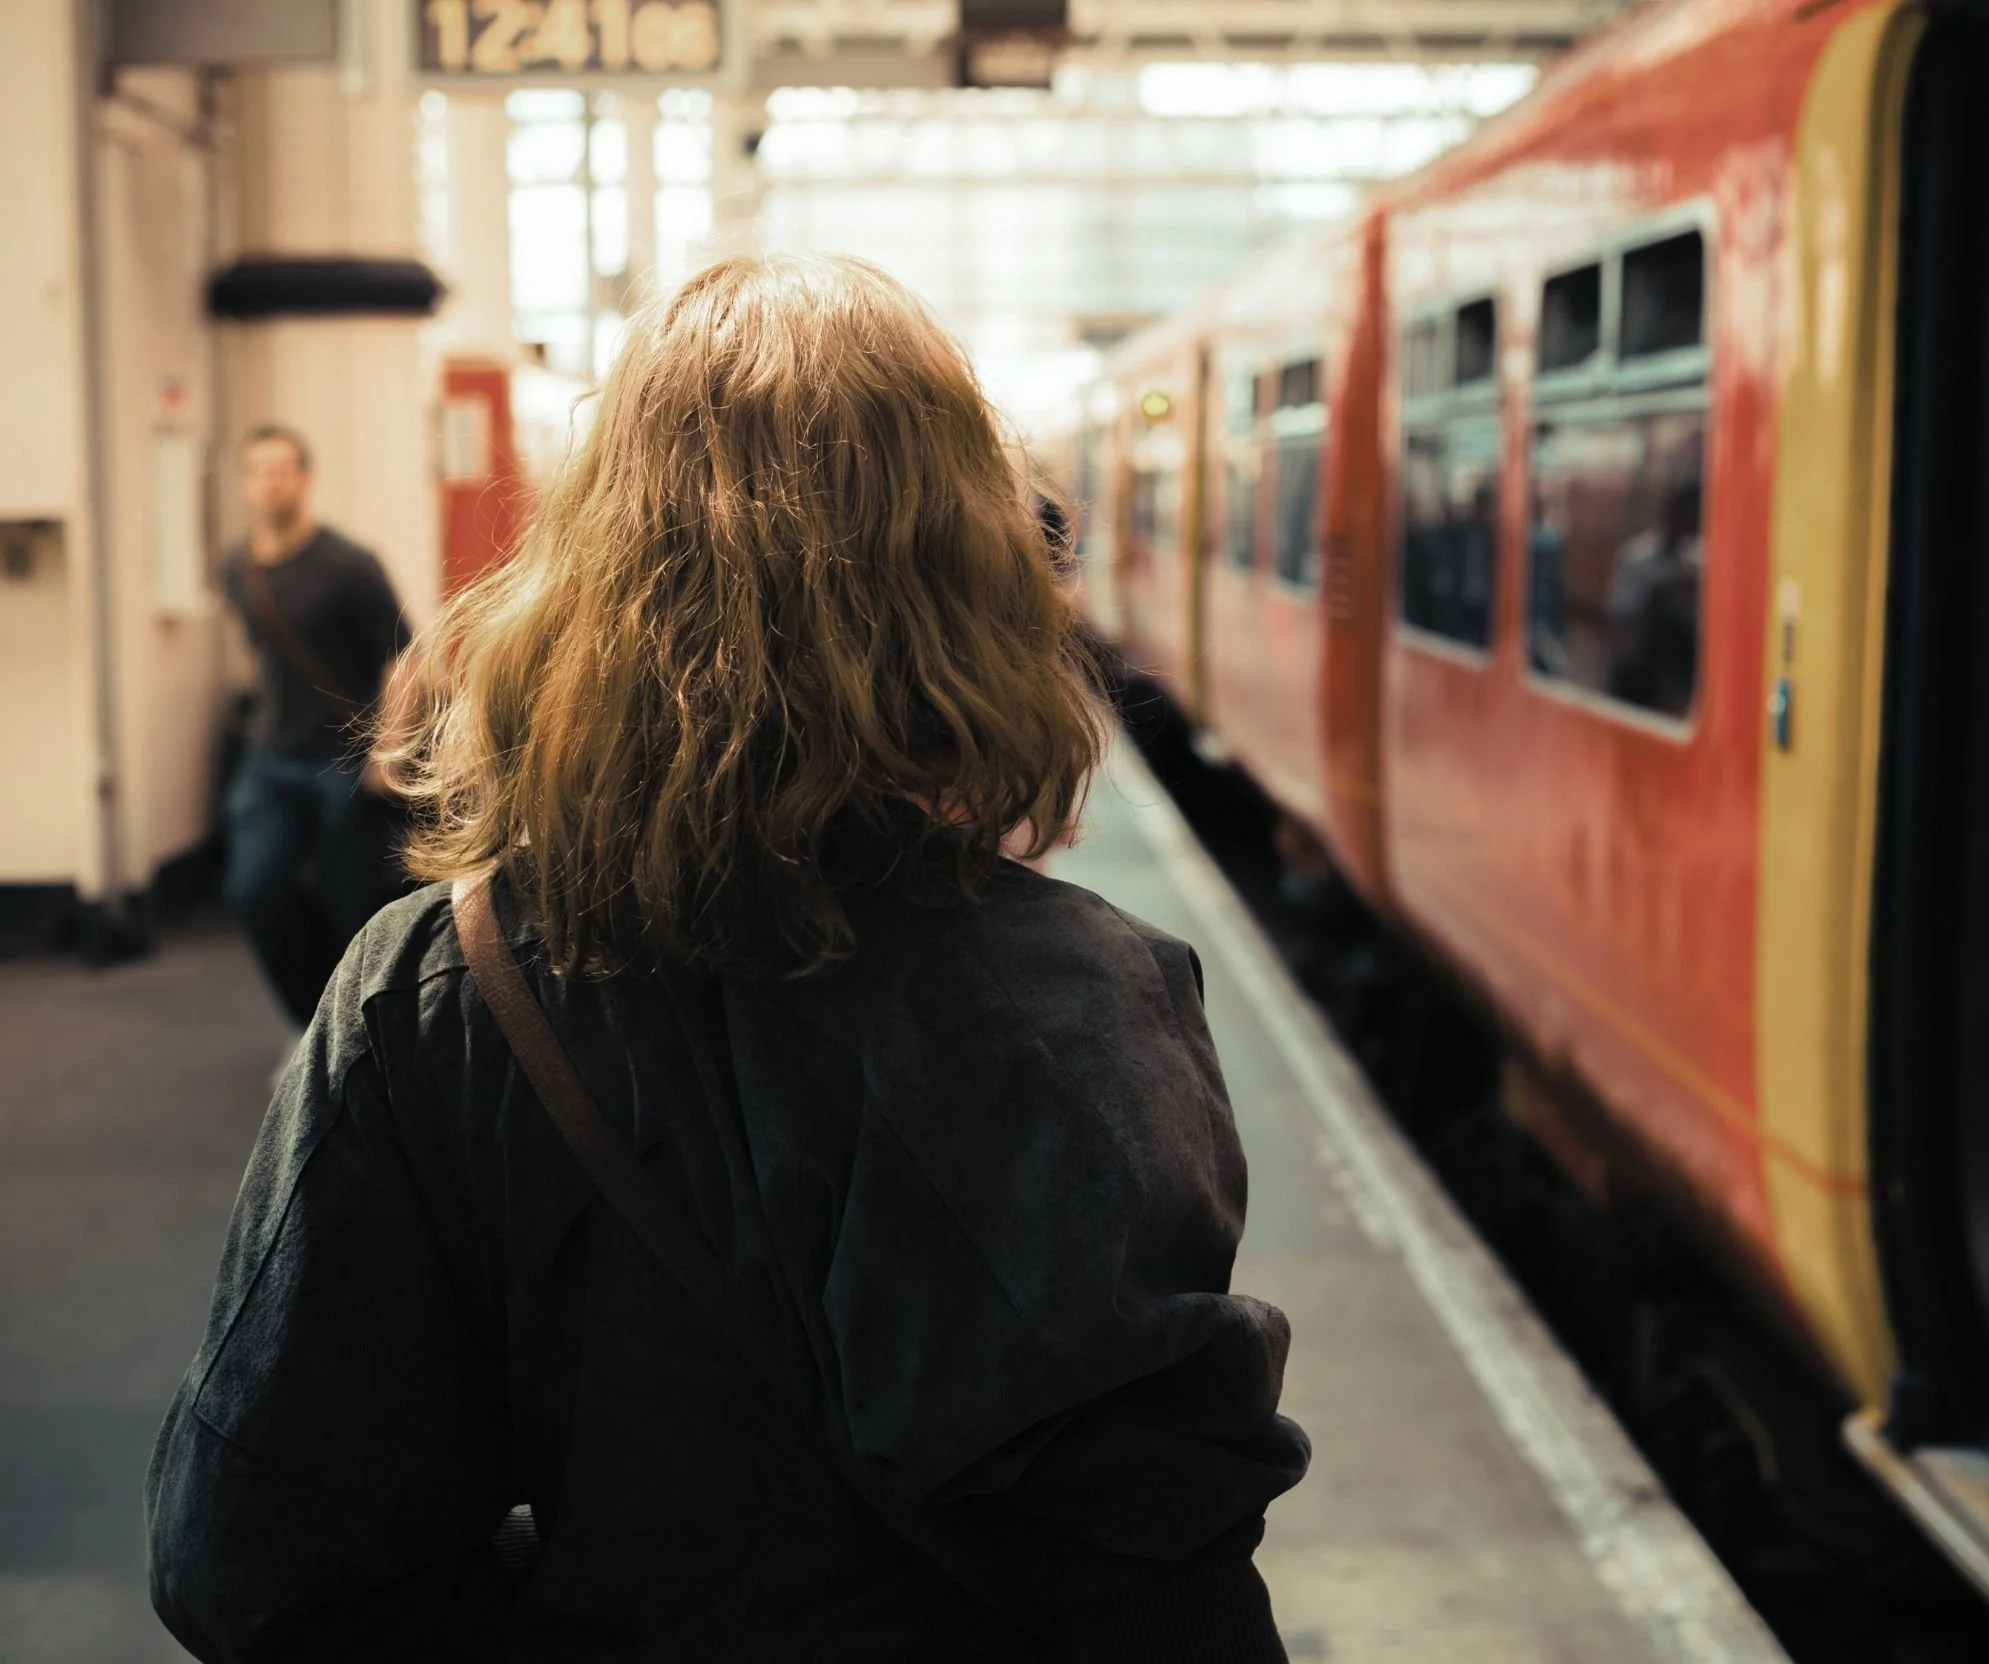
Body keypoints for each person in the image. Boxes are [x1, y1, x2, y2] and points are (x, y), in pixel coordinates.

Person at [147, 254, 1310, 1661]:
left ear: (588, 575)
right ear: (975, 581)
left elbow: (254, 1567)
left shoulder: (425, 999)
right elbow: (1164, 1584)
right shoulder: (1091, 1009)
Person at [219, 425, 413, 1023]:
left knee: (349, 904)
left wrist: (388, 749)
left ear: (304, 479)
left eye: (281, 469)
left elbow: (406, 658)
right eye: (257, 470)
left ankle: (358, 1028)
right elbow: (260, 655)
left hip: (345, 759)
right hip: (271, 757)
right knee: (255, 890)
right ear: (245, 484)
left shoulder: (348, 565)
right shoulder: (237, 567)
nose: (269, 481)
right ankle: (311, 1028)